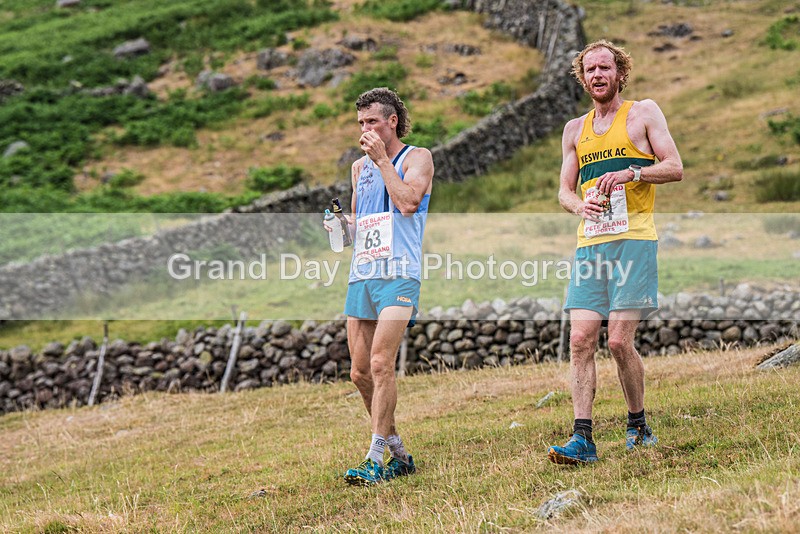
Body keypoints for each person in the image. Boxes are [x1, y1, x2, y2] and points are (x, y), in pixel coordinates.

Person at [549, 40, 683, 464]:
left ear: (620, 73)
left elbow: (675, 166)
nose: (598, 75)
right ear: (583, 77)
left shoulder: (643, 113)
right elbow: (564, 191)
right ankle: (582, 439)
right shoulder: (575, 129)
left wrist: (632, 172)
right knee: (580, 339)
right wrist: (579, 206)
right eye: (590, 70)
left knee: (620, 342)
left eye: (605, 67)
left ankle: (638, 423)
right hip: (591, 244)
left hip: (635, 240)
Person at [331, 87, 434, 485]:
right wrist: (340, 227)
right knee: (359, 374)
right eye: (360, 123)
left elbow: (408, 202)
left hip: (399, 273)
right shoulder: (359, 168)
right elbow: (359, 226)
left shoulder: (417, 157)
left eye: (372, 121)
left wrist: (382, 160)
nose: (365, 129)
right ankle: (398, 454)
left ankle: (374, 458)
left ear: (392, 121)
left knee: (380, 363)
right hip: (363, 274)